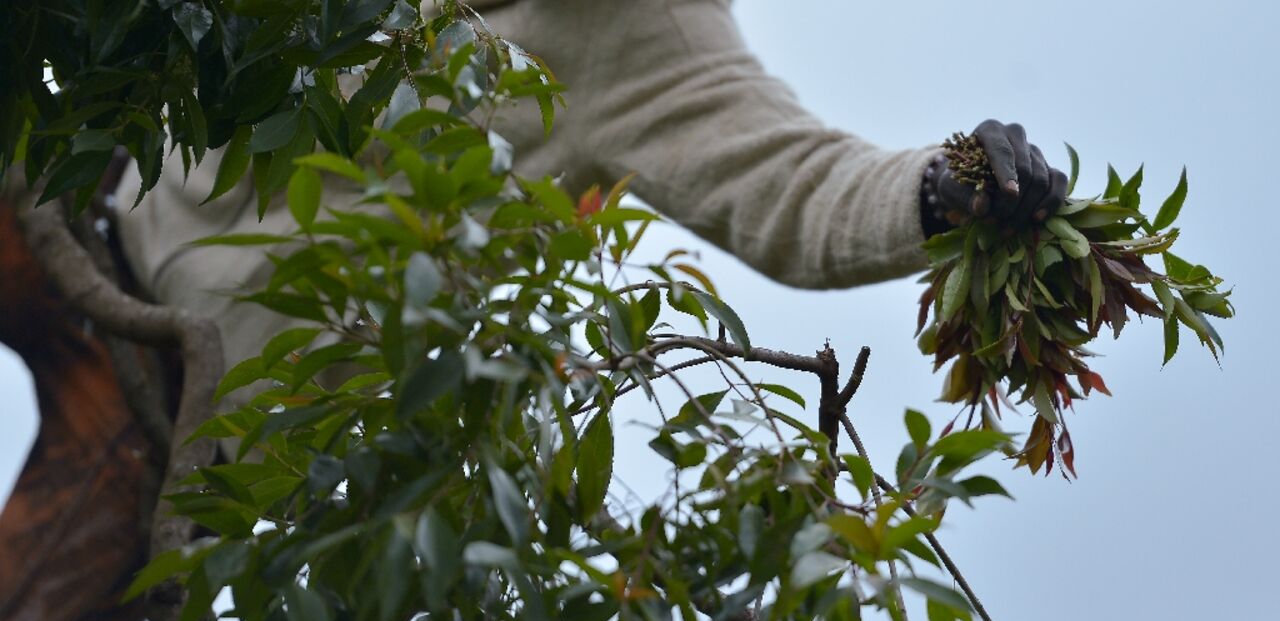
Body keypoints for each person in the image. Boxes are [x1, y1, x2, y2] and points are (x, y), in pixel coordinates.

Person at [116, 0, 1066, 391]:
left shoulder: (649, 33)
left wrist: (941, 187)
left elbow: (797, 185)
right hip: (115, 193)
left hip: (237, 361)